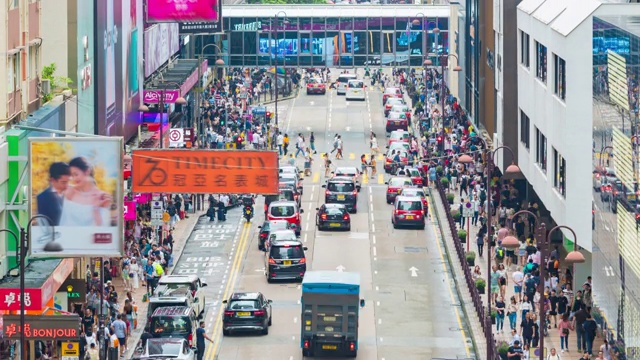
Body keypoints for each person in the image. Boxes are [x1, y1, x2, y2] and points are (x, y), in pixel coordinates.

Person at [59, 157, 113, 226]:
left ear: (87, 171)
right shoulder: (69, 191)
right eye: (72, 176)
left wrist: (95, 209)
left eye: (76, 174)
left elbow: (102, 228)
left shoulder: (101, 197)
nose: (74, 179)